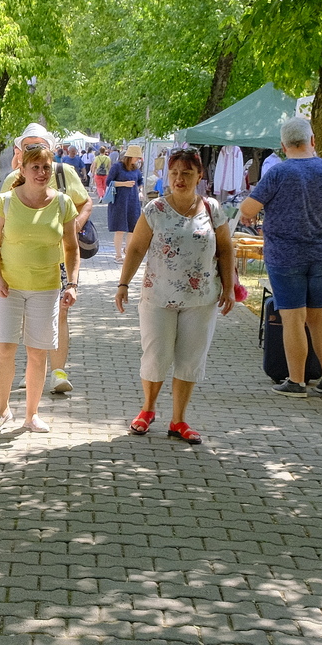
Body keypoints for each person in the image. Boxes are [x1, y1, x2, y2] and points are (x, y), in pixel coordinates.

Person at [115, 147, 237, 445]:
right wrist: (123, 285)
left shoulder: (212, 208)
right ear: (167, 175)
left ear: (199, 175)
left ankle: (179, 420)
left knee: (190, 359)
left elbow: (225, 248)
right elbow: (136, 249)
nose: (179, 179)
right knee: (156, 355)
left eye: (186, 173)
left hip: (202, 298)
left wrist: (230, 287)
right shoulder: (155, 209)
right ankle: (147, 410)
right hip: (158, 296)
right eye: (174, 173)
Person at [237, 116, 322, 396]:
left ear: (282, 146)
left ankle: (296, 381)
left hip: (286, 256)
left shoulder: (278, 173)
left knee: (292, 319)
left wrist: (252, 213)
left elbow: (248, 209)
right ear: (312, 141)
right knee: (318, 316)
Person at [0, 143, 78, 434]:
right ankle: (2, 410)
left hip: (46, 287)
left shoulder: (63, 203)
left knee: (38, 353)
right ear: (22, 169)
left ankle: (32, 414)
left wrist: (72, 283)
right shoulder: (6, 201)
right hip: (8, 288)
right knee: (5, 348)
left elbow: (72, 247)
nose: (41, 172)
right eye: (35, 167)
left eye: (46, 167)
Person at [1, 123, 91, 395]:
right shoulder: (12, 179)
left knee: (59, 313)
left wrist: (74, 226)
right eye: (27, 146)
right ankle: (34, 369)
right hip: (21, 264)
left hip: (59, 259)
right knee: (30, 316)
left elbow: (85, 202)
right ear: (20, 150)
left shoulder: (64, 173)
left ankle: (58, 372)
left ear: (50, 150)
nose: (33, 150)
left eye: (39, 145)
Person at [108, 145, 145, 258]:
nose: (138, 160)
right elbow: (109, 182)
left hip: (133, 201)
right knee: (120, 229)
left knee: (132, 229)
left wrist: (141, 191)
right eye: (136, 157)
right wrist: (124, 184)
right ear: (130, 156)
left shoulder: (135, 169)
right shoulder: (117, 167)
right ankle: (118, 255)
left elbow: (140, 181)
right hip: (119, 201)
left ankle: (128, 251)